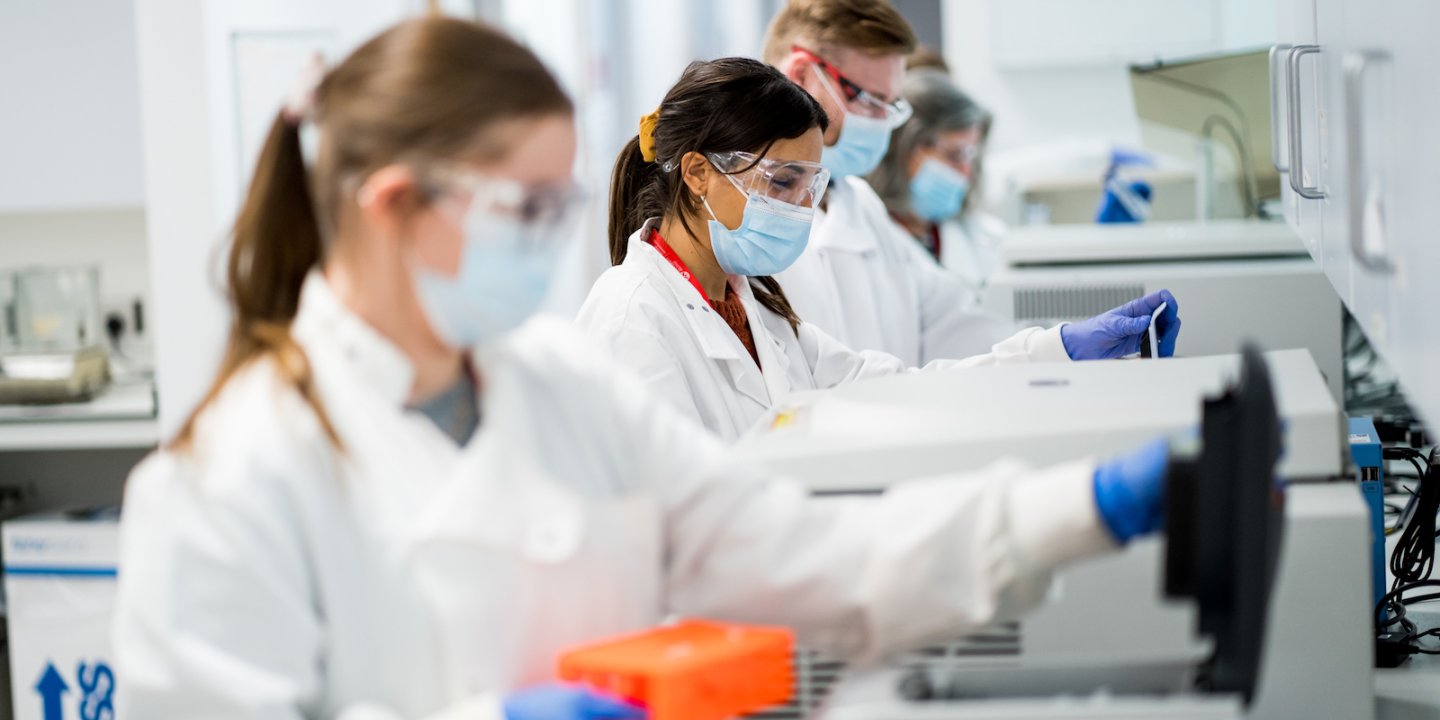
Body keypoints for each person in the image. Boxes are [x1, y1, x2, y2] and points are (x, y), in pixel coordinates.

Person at [114, 17, 1170, 720]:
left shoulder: (547, 388)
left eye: (561, 206)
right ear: (393, 206)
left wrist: (1079, 509)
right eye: (526, 210)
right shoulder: (226, 481)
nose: (551, 239)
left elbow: (807, 554)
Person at [577, 57, 1179, 444]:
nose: (799, 208)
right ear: (699, 173)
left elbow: (900, 389)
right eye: (782, 181)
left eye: (811, 187)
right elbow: (668, 531)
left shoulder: (754, 309)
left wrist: (1058, 352)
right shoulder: (635, 320)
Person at [759, 0, 1177, 365]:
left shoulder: (859, 206)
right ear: (802, 75)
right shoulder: (755, 226)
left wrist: (1066, 345)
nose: (884, 125)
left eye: (891, 106)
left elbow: (955, 325)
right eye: (870, 101)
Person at [868, 68, 1006, 292]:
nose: (965, 173)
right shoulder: (864, 234)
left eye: (970, 157)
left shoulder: (985, 238)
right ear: (904, 148)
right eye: (954, 155)